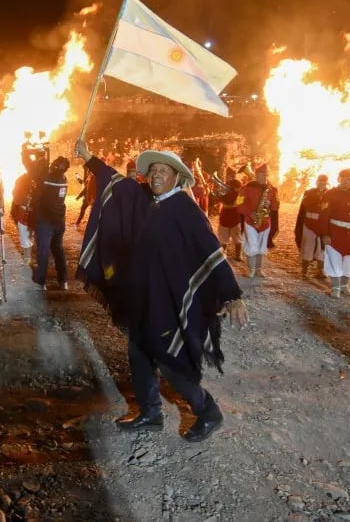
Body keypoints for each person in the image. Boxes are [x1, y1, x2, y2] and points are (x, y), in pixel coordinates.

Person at [75, 139, 247, 442]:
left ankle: (207, 410)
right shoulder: (149, 201)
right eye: (152, 170)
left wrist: (232, 294)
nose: (155, 176)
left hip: (168, 300)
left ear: (176, 177)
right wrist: (89, 158)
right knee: (139, 354)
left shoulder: (184, 209)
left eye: (162, 171)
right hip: (143, 297)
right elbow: (119, 185)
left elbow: (211, 251)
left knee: (170, 359)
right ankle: (150, 413)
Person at [317, 169, 350, 298]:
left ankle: (344, 286)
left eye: (349, 179)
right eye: (344, 179)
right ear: (339, 179)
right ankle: (335, 287)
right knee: (335, 260)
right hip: (335, 233)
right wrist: (325, 234)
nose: (347, 182)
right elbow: (324, 216)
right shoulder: (329, 194)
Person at [32, 156, 70, 290]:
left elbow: (34, 172)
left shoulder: (48, 179)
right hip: (59, 221)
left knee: (43, 250)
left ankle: (41, 281)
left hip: (46, 220)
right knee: (58, 249)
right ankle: (63, 280)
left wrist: (32, 156)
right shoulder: (64, 179)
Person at [238, 164, 279, 278]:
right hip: (250, 222)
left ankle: (258, 270)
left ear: (267, 175)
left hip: (265, 222)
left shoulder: (272, 190)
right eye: (260, 175)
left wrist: (271, 203)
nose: (262, 177)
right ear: (256, 175)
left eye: (264, 175)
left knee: (261, 247)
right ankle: (251, 270)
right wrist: (250, 213)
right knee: (251, 245)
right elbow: (238, 204)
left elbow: (275, 208)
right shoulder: (245, 188)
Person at [295, 174, 329, 280]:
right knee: (307, 247)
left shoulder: (330, 194)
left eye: (324, 182)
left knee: (322, 248)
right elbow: (306, 204)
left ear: (326, 182)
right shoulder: (309, 193)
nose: (321, 183)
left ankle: (320, 270)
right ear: (316, 182)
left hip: (322, 224)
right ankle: (305, 271)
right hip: (309, 223)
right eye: (320, 181)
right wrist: (318, 195)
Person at [216, 177, 244, 261]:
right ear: (236, 187)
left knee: (223, 238)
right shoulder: (240, 194)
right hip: (235, 217)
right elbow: (239, 204)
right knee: (237, 237)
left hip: (225, 216)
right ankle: (238, 256)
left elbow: (221, 201)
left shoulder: (224, 193)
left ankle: (223, 255)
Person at [11, 170, 34, 263]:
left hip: (30, 212)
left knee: (26, 234)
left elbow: (16, 197)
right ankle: (28, 256)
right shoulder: (22, 180)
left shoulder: (40, 178)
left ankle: (28, 257)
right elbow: (16, 196)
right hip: (25, 212)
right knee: (26, 234)